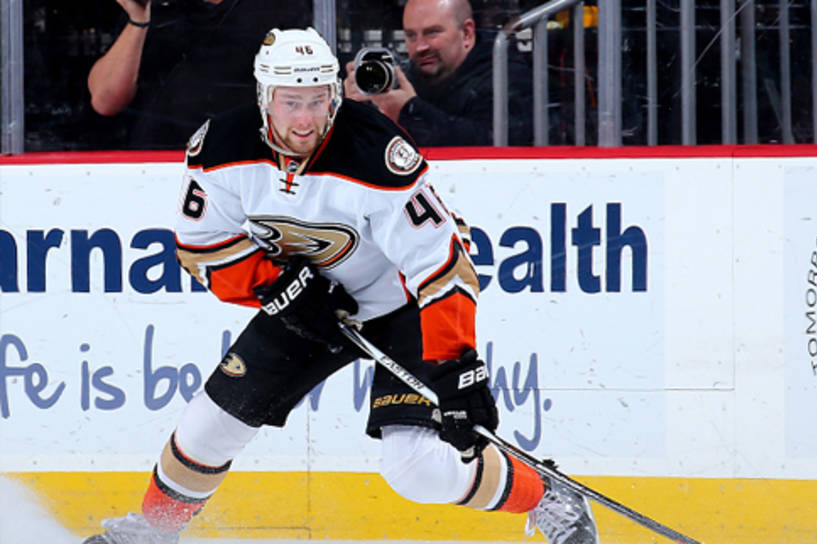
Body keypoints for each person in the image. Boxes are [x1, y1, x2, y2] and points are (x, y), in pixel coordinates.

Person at [81, 27, 598, 544]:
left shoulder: (377, 152)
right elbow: (202, 246)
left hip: (402, 305)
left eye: (318, 100)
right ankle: (153, 532)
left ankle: (547, 494)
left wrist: (454, 364)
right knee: (207, 426)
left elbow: (441, 265)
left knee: (415, 468)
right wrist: (280, 288)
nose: (306, 119)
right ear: (265, 98)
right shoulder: (220, 147)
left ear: (334, 95)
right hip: (306, 303)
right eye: (291, 102)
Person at [87, 0, 310, 149]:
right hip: (155, 168)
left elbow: (303, 102)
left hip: (240, 167)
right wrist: (138, 20)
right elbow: (105, 101)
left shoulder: (279, 8)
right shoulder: (155, 7)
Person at [343, 0, 534, 147]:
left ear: (466, 33)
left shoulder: (505, 76)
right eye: (411, 35)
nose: (420, 47)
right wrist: (354, 111)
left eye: (432, 33)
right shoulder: (404, 78)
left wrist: (409, 112)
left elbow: (492, 142)